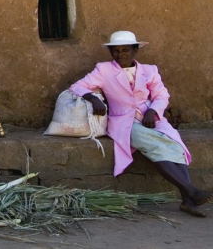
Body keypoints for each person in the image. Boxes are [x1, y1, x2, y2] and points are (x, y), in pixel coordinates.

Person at [71, 31, 213, 217]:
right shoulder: (104, 70)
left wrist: (153, 111)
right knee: (157, 146)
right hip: (123, 122)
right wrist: (93, 99)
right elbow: (77, 86)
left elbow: (161, 95)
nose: (120, 54)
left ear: (135, 51)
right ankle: (191, 191)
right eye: (115, 51)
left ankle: (188, 200)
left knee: (176, 146)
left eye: (125, 50)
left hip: (151, 118)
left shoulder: (149, 70)